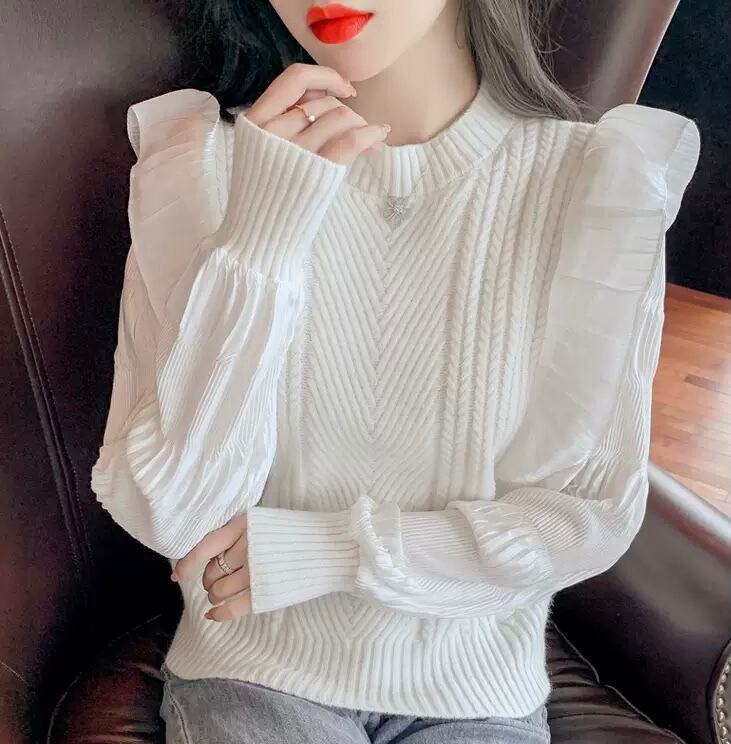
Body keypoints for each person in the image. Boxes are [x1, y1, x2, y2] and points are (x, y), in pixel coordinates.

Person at [89, 0, 701, 741]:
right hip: (253, 674)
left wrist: (338, 553)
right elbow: (172, 512)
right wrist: (259, 238)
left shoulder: (598, 187)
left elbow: (587, 515)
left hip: (476, 693)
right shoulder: (200, 165)